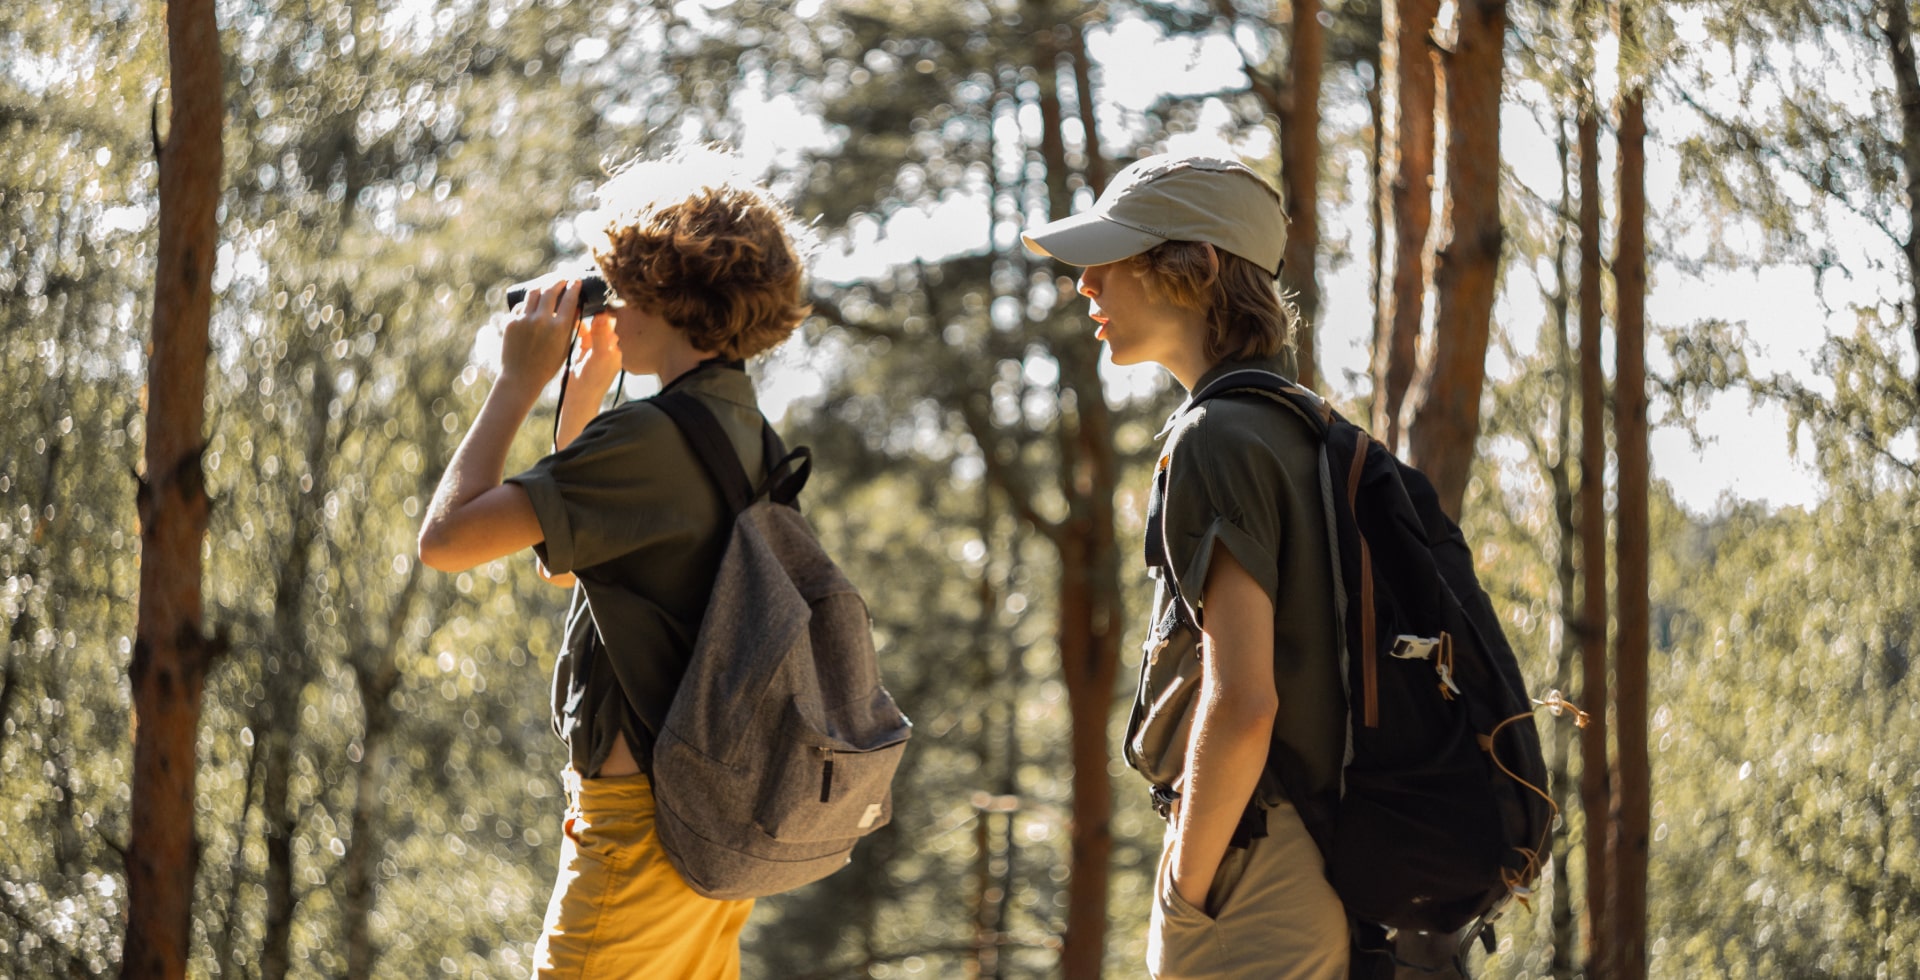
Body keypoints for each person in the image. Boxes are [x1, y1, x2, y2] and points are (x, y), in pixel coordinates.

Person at [417, 151, 810, 979]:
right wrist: (585, 394)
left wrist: (516, 384)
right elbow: (569, 570)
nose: (606, 301)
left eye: (617, 282)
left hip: (639, 833)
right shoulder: (735, 425)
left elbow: (447, 539)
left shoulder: (652, 439)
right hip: (711, 822)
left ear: (663, 292)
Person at [1023, 152, 1349, 979]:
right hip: (1315, 858)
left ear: (1194, 267)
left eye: (1112, 256)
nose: (1085, 283)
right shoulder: (1301, 426)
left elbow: (1242, 700)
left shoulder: (1217, 438)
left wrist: (1185, 889)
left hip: (1252, 873)